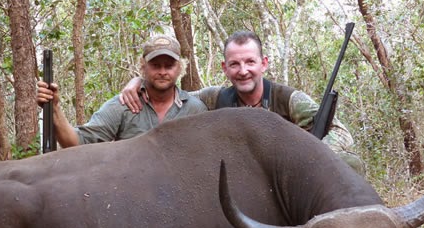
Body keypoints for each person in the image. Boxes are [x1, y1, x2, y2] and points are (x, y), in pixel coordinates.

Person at [120, 30, 364, 174]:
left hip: (292, 173)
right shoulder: (216, 98)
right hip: (248, 181)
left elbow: (342, 134)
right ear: (225, 68)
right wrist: (139, 81)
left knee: (349, 163)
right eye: (235, 64)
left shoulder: (288, 99)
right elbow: (173, 93)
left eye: (250, 62)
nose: (243, 71)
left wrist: (307, 156)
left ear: (263, 63)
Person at [37, 35, 207, 148]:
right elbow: (77, 142)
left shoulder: (195, 110)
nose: (162, 71)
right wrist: (55, 108)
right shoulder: (122, 105)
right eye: (155, 65)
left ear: (180, 68)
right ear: (143, 66)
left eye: (169, 66)